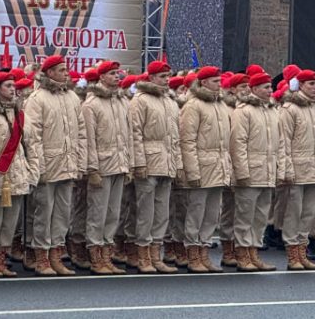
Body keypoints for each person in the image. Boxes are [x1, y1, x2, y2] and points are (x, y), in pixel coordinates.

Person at [24, 54, 85, 277]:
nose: (66, 73)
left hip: (67, 164)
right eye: (61, 70)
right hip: (48, 165)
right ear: (49, 73)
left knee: (62, 213)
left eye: (66, 69)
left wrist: (80, 162)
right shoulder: (37, 98)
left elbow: (81, 133)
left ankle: (56, 256)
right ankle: (40, 256)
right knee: (44, 213)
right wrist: (38, 166)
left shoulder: (72, 97)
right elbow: (33, 136)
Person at [0, 71, 39, 278]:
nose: (13, 89)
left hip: (17, 172)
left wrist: (32, 171)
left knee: (10, 221)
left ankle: (1, 258)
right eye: (8, 86)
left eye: (14, 86)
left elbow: (30, 144)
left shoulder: (20, 114)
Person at [128, 60, 181, 274]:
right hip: (149, 162)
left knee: (161, 212)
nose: (166, 80)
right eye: (162, 76)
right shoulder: (140, 100)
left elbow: (175, 137)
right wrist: (139, 162)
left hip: (166, 162)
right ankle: (143, 255)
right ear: (151, 77)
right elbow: (135, 134)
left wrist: (176, 162)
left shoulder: (170, 101)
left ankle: (155, 254)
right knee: (146, 212)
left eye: (168, 76)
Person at [179, 65, 233, 273]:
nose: (219, 85)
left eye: (220, 81)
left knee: (212, 214)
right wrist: (191, 171)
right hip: (201, 166)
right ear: (203, 83)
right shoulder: (194, 105)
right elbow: (188, 140)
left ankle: (204, 250)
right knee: (196, 212)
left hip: (218, 166)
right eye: (215, 81)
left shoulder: (220, 105)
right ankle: (192, 252)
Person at [229, 70, 282, 272]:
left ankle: (254, 252)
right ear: (254, 89)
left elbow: (280, 143)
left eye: (270, 87)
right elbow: (238, 143)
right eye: (266, 87)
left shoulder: (272, 111)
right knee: (245, 215)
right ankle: (242, 253)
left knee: (260, 216)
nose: (270, 90)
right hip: (251, 171)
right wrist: (241, 172)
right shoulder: (243, 111)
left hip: (267, 170)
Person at [81, 60, 130, 275]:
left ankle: (107, 255)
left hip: (119, 163)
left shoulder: (121, 102)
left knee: (113, 213)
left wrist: (128, 163)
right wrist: (92, 168)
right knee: (97, 213)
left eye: (117, 74)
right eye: (112, 74)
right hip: (102, 165)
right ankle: (96, 255)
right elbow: (88, 139)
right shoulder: (91, 105)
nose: (117, 77)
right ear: (101, 77)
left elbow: (128, 136)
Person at [280, 70, 315, 271]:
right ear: (299, 85)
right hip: (298, 168)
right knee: (294, 212)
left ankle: (303, 251)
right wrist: (287, 168)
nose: (314, 87)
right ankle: (292, 254)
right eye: (310, 83)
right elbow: (283, 141)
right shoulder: (290, 109)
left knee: (309, 213)